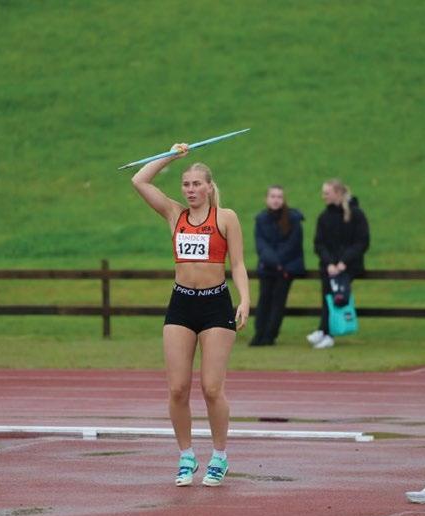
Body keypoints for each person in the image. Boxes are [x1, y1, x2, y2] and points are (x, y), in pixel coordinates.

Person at [131, 143, 250, 487]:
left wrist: (245, 300)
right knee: (178, 388)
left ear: (209, 187)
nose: (190, 190)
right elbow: (139, 180)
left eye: (197, 184)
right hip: (181, 304)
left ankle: (219, 456)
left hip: (216, 305)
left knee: (212, 388)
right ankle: (186, 455)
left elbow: (238, 264)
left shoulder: (226, 218)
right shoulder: (174, 214)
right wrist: (171, 155)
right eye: (186, 184)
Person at [308, 179, 370, 349]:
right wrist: (329, 263)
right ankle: (324, 330)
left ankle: (328, 333)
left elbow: (362, 242)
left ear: (338, 193)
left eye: (327, 193)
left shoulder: (356, 214)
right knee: (327, 298)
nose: (324, 196)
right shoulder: (324, 216)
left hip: (349, 267)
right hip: (329, 267)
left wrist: (344, 262)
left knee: (337, 297)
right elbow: (319, 244)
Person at [250, 185, 305, 346]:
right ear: (266, 199)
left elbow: (293, 244)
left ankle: (270, 335)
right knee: (264, 300)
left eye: (279, 197)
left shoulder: (293, 219)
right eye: (273, 196)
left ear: (283, 199)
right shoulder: (261, 219)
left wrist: (280, 263)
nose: (276, 200)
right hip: (268, 267)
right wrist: (274, 262)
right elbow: (261, 245)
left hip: (287, 268)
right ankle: (259, 333)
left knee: (278, 302)